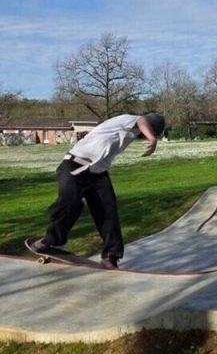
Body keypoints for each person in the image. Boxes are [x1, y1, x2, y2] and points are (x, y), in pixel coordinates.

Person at [28, 113, 165, 269]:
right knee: (69, 205)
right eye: (146, 133)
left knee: (108, 212)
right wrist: (153, 139)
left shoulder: (131, 131)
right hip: (74, 165)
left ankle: (111, 256)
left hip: (97, 173)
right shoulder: (128, 119)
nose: (141, 137)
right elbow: (142, 121)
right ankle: (48, 240)